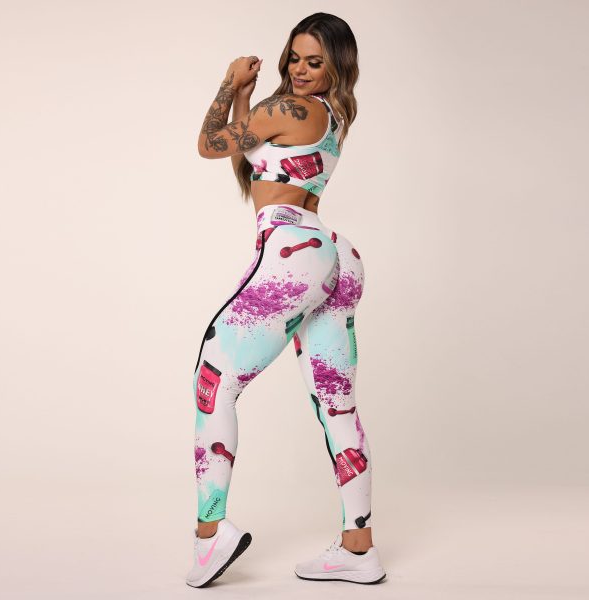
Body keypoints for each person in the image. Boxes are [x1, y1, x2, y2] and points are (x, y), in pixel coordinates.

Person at [186, 12, 386, 588]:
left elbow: (209, 144)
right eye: (294, 58)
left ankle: (209, 533)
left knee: (212, 379)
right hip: (333, 255)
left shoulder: (288, 109)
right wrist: (246, 98)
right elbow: (251, 158)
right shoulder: (332, 114)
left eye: (314, 62)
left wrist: (228, 82)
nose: (299, 70)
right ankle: (358, 548)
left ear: (336, 66)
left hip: (291, 252)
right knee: (337, 405)